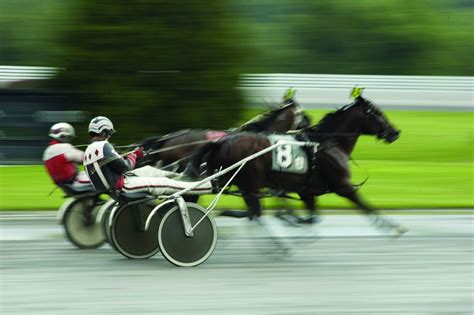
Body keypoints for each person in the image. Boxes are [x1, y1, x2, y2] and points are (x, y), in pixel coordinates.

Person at [83, 116, 213, 197]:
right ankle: (204, 186)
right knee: (165, 183)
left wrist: (132, 155)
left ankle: (184, 177)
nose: (109, 136)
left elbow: (115, 165)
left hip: (117, 183)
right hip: (124, 185)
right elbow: (126, 167)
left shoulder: (90, 149)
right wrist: (135, 155)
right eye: (109, 133)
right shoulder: (103, 146)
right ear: (104, 131)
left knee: (150, 171)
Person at [43, 122, 94, 193]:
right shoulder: (63, 147)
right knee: (104, 178)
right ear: (63, 136)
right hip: (75, 182)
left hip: (64, 184)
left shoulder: (49, 150)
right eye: (69, 137)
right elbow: (84, 157)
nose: (69, 140)